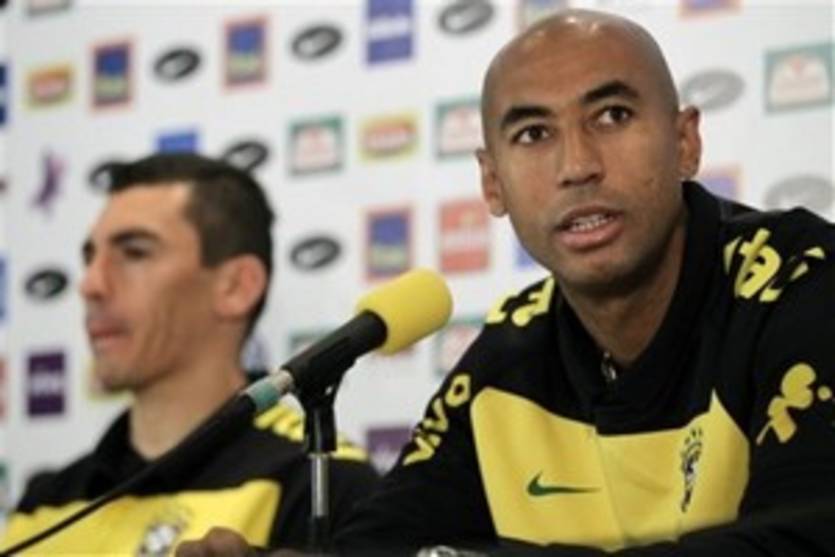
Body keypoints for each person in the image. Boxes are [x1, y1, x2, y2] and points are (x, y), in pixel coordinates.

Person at [178, 9, 835, 556]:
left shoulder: (804, 286)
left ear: (685, 141)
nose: (577, 165)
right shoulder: (508, 355)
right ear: (492, 183)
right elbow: (385, 543)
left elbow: (807, 539)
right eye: (533, 133)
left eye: (611, 115)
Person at [0, 153, 379, 555]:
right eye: (89, 258)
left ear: (237, 287)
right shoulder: (43, 504)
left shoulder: (323, 481)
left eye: (134, 252)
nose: (90, 284)